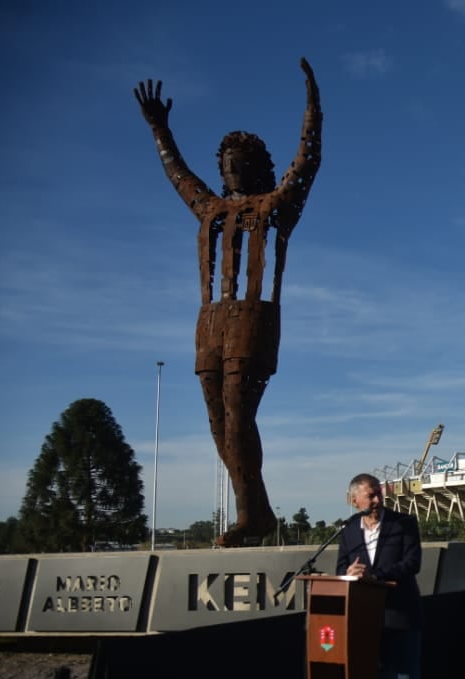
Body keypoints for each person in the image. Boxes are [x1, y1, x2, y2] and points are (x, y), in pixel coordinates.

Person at [134, 59, 323, 546]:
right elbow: (179, 176)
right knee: (218, 423)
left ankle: (250, 514)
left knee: (238, 414)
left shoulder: (277, 206)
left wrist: (312, 109)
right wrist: (161, 132)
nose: (232, 170)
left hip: (253, 319)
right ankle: (257, 512)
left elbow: (307, 163)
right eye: (226, 165)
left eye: (241, 163)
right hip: (210, 321)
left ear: (259, 168)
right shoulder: (210, 210)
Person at [338, 473, 427, 679]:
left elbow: (412, 563)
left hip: (401, 615)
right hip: (367, 619)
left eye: (379, 494)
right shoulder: (349, 530)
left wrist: (375, 575)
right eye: (370, 496)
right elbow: (340, 568)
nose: (377, 500)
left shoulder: (404, 523)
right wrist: (349, 571)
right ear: (354, 500)